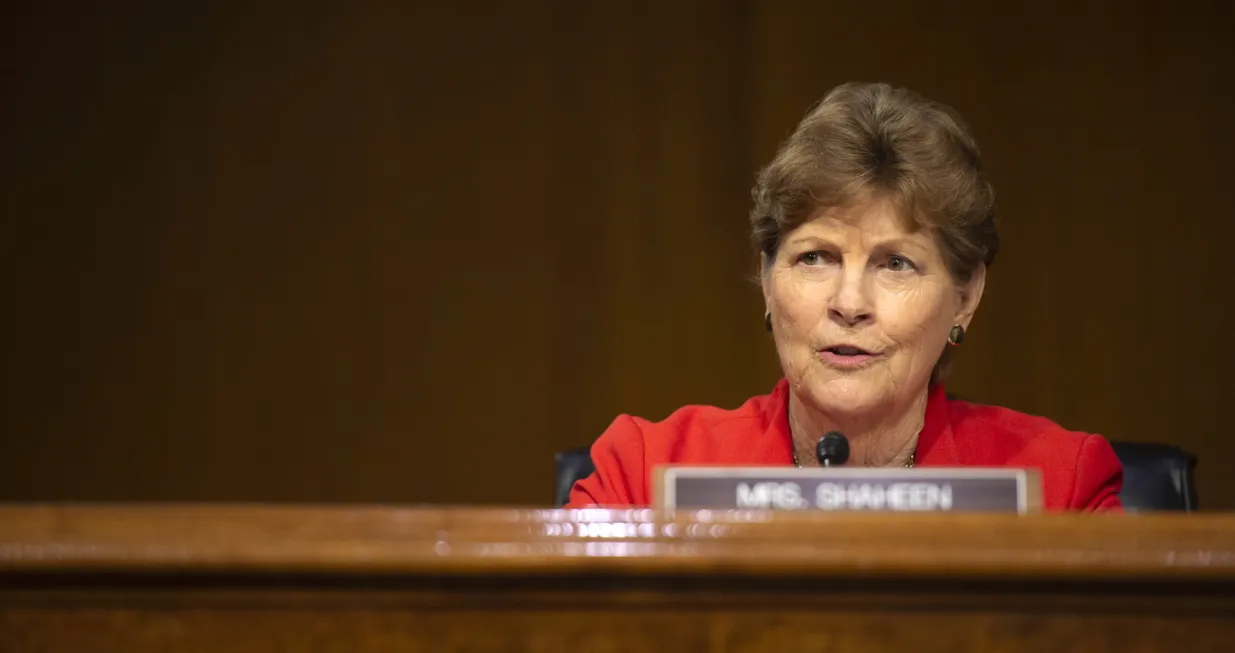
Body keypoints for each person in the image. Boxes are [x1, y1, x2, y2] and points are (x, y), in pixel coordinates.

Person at [566, 82, 1122, 511]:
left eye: (896, 264)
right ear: (766, 278)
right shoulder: (644, 474)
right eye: (816, 257)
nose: (849, 302)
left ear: (966, 295)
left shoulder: (1058, 489)